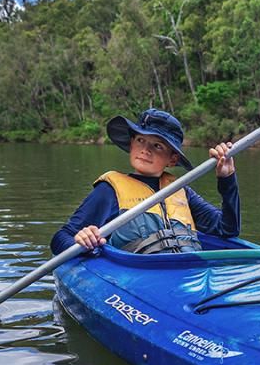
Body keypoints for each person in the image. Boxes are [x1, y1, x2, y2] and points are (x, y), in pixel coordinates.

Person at [51, 108, 238, 255]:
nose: (145, 150)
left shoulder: (181, 192)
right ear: (132, 144)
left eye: (157, 145)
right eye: (140, 140)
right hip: (135, 280)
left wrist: (227, 179)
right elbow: (60, 238)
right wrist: (83, 242)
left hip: (188, 275)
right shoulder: (108, 191)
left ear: (172, 160)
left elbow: (228, 229)